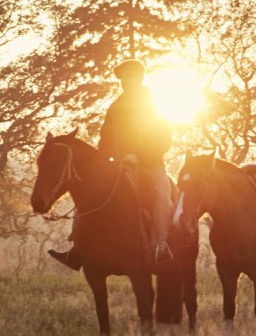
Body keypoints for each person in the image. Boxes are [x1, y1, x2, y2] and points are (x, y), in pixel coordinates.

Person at [49, 59, 173, 270]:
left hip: (150, 164)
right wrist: (102, 159)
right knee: (88, 192)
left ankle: (158, 246)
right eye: (123, 77)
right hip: (118, 163)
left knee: (162, 194)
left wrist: (139, 157)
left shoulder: (154, 104)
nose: (126, 81)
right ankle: (77, 249)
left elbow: (163, 138)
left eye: (130, 76)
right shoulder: (115, 107)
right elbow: (105, 137)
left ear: (139, 77)